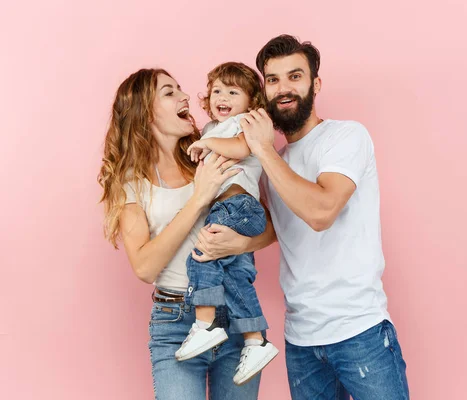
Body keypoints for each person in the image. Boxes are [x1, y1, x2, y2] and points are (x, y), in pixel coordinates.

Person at [232, 34, 409, 399]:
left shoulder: (345, 137)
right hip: (301, 342)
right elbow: (276, 228)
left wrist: (263, 150)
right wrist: (221, 244)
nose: (284, 89)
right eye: (274, 79)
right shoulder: (273, 164)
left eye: (295, 77)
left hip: (359, 331)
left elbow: (320, 212)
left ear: (316, 84)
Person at [98, 68, 275, 399]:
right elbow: (145, 267)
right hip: (175, 321)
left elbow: (266, 226)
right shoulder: (130, 183)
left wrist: (240, 243)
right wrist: (198, 199)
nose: (185, 97)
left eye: (180, 89)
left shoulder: (209, 152)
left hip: (236, 315)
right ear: (143, 111)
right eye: (169, 92)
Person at [175, 62, 278, 386]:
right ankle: (256, 340)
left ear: (252, 102)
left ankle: (206, 323)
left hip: (240, 206)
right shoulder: (209, 130)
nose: (222, 96)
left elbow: (241, 148)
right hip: (227, 208)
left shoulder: (244, 123)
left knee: (203, 252)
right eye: (217, 90)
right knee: (235, 276)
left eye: (233, 91)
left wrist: (207, 145)